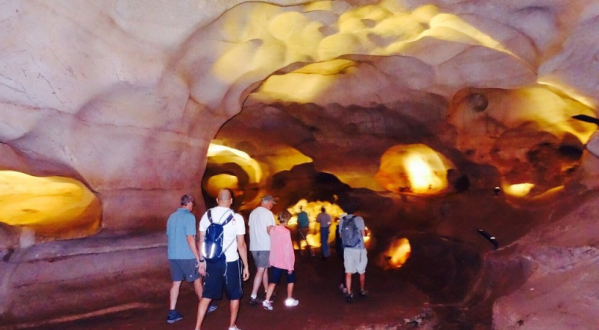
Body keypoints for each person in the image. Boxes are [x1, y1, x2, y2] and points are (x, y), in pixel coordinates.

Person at [195, 189, 249, 330]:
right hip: (231, 261)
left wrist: (201, 261)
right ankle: (231, 326)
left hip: (212, 261)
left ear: (217, 200)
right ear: (231, 201)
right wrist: (246, 265)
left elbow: (201, 240)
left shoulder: (207, 215)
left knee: (206, 295)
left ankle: (197, 328)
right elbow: (241, 245)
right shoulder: (237, 218)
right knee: (234, 295)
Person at [166, 194, 216, 324]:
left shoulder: (171, 217)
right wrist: (198, 257)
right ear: (190, 203)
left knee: (176, 283)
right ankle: (204, 304)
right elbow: (190, 238)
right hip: (187, 255)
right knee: (197, 280)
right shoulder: (189, 217)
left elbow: (169, 235)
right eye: (192, 204)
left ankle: (172, 312)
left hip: (173, 255)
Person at [262, 210, 299, 310]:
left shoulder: (272, 230)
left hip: (275, 260)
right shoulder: (286, 232)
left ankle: (266, 301)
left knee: (273, 281)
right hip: (285, 261)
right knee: (291, 280)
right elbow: (287, 249)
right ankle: (289, 300)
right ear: (287, 220)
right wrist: (290, 265)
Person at [247, 195, 276, 305]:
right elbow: (270, 230)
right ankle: (253, 296)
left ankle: (266, 290)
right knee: (260, 270)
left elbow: (250, 229)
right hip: (265, 246)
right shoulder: (268, 213)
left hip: (254, 246)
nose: (272, 206)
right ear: (266, 202)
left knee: (264, 269)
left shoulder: (253, 213)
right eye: (271, 203)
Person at [338, 201, 368, 302]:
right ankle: (362, 290)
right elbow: (364, 234)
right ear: (355, 210)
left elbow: (341, 235)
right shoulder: (359, 219)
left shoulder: (342, 220)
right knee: (361, 271)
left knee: (348, 272)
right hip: (359, 249)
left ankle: (349, 293)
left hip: (347, 249)